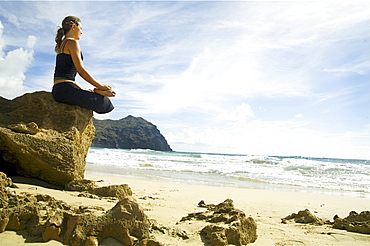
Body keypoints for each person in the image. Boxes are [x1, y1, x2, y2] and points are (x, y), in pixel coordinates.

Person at [52, 16, 115, 114]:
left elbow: (64, 76)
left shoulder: (62, 45)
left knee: (95, 97)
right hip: (66, 90)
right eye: (80, 28)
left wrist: (81, 89)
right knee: (105, 103)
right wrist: (100, 86)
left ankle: (94, 91)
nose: (81, 32)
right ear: (73, 27)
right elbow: (81, 70)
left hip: (59, 89)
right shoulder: (72, 42)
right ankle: (96, 91)